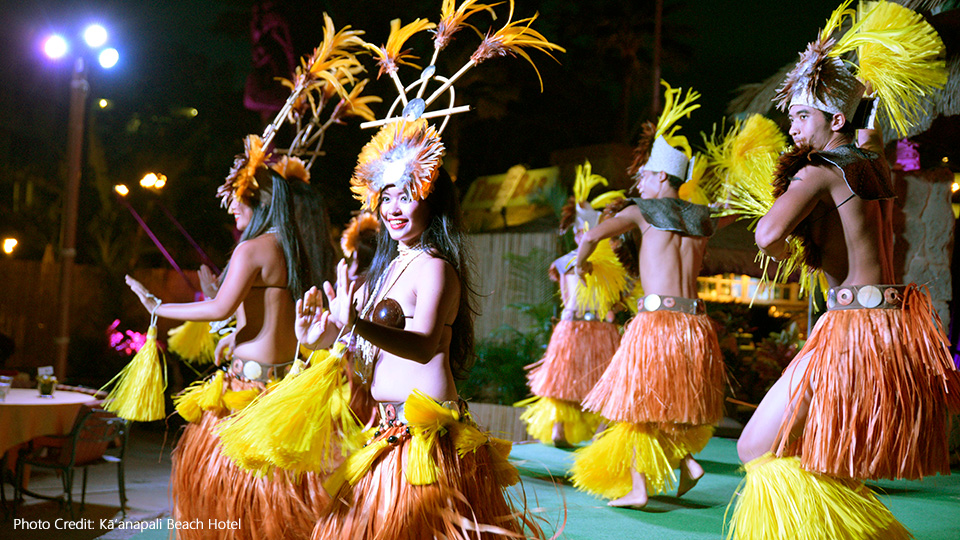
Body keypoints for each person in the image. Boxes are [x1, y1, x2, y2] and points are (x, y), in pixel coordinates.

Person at [728, 4, 955, 538]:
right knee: (828, 458)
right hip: (890, 329)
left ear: (834, 120)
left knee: (754, 446)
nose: (792, 126)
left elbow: (765, 235)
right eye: (792, 116)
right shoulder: (870, 163)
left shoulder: (818, 171)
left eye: (802, 116)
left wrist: (787, 241)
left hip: (850, 329)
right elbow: (869, 144)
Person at [126, 143, 336, 540]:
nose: (231, 209)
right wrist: (229, 331)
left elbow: (220, 308)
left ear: (255, 198)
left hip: (244, 394)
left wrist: (158, 306)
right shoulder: (293, 249)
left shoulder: (251, 248)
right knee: (274, 506)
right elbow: (263, 314)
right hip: (280, 390)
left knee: (227, 504)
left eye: (236, 199)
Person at [569, 82, 725, 509]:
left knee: (635, 401)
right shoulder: (702, 219)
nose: (638, 180)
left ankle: (640, 489)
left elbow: (593, 234)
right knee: (667, 402)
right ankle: (688, 463)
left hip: (656, 324)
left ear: (659, 176)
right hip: (695, 325)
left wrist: (581, 262)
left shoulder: (641, 209)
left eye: (643, 175)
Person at [518, 162, 625, 447]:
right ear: (577, 234)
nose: (581, 237)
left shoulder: (604, 264)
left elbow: (614, 296)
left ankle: (598, 428)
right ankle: (560, 429)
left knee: (603, 380)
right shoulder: (571, 263)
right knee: (562, 380)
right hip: (578, 325)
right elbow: (571, 292)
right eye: (580, 233)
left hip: (594, 326)